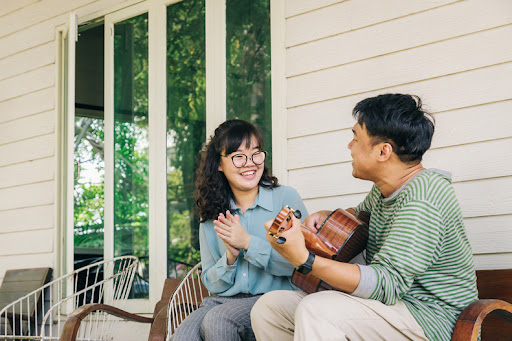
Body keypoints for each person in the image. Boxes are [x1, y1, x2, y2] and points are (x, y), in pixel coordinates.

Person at [251, 94, 479, 341]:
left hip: (430, 320)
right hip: (393, 310)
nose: (350, 146)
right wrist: (327, 217)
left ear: (383, 151)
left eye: (355, 138)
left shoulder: (424, 196)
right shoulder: (386, 190)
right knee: (270, 308)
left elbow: (387, 284)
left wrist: (306, 260)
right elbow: (359, 218)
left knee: (317, 310)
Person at [172, 119, 308, 341]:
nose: (250, 163)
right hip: (222, 300)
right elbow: (211, 283)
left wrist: (248, 243)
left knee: (219, 320)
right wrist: (230, 258)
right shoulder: (211, 212)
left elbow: (302, 265)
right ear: (219, 163)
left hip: (274, 300)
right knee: (183, 337)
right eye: (238, 156)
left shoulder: (285, 199)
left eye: (255, 154)